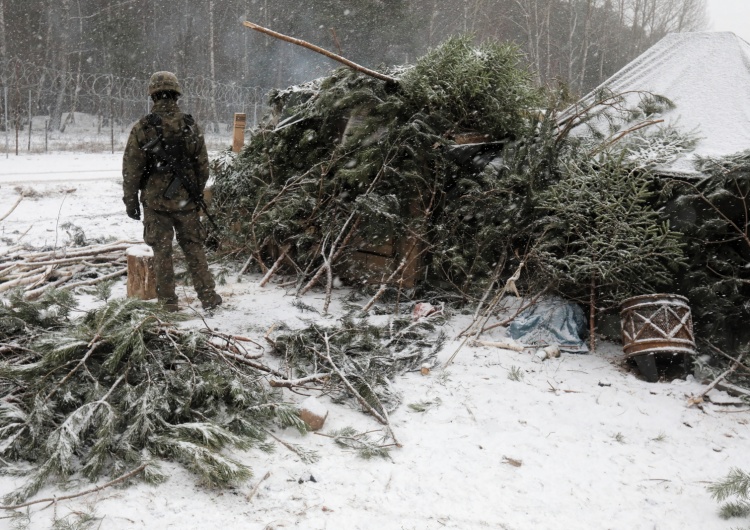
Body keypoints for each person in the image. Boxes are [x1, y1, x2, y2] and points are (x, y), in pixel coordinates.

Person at [122, 71, 222, 312]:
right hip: (186, 203)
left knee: (162, 255)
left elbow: (131, 169)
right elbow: (203, 166)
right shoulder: (190, 125)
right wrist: (195, 193)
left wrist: (131, 201)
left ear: (153, 95)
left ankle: (168, 304)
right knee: (194, 249)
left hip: (156, 204)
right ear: (176, 94)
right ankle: (208, 298)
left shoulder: (142, 128)